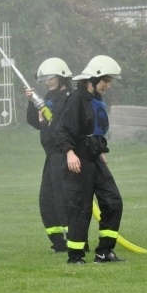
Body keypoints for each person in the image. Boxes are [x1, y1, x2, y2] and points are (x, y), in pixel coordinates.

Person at [53, 55, 125, 264]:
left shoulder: (96, 99)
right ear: (94, 79)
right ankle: (75, 256)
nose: (108, 85)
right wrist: (69, 152)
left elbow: (93, 130)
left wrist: (100, 150)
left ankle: (104, 252)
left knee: (113, 201)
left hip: (94, 157)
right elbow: (62, 129)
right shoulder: (75, 99)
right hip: (77, 159)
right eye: (107, 81)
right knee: (80, 207)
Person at [24, 57, 73, 253]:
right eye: (45, 78)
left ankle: (75, 240)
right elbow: (36, 122)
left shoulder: (69, 97)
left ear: (61, 76)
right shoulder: (50, 96)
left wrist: (44, 121)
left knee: (64, 200)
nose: (47, 81)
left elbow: (57, 126)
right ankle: (58, 242)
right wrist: (32, 102)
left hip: (64, 154)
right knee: (47, 199)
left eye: (50, 77)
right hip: (51, 156)